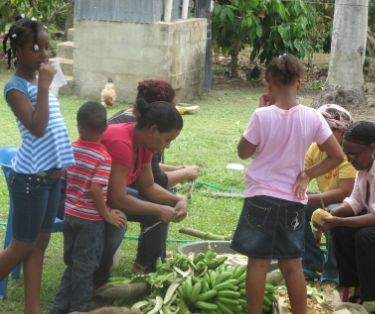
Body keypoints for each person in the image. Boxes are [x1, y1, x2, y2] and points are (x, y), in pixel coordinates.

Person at [231, 54, 344, 314]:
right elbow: (336, 155)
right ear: (299, 84)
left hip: (260, 198)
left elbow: (243, 152)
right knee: (292, 265)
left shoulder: (262, 115)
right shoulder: (313, 117)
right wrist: (307, 174)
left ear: (268, 84)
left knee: (258, 263)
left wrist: (257, 110)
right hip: (293, 199)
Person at [0, 17, 75, 314]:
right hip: (30, 177)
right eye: (35, 48)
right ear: (18, 49)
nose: (44, 54)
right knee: (22, 246)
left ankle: (33, 308)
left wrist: (46, 83)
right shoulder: (14, 88)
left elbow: (54, 122)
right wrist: (43, 87)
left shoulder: (46, 78)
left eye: (46, 46)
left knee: (40, 243)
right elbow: (38, 127)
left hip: (53, 173)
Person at [93, 98, 187, 287]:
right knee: (117, 222)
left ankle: (146, 272)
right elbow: (117, 198)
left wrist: (177, 199)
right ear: (153, 130)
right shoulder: (122, 142)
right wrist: (158, 209)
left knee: (156, 210)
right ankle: (97, 281)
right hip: (85, 197)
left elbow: (148, 186)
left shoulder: (144, 143)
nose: (167, 146)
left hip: (105, 195)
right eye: (167, 139)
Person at [51, 102, 126, 313]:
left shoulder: (70, 150)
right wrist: (107, 215)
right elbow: (95, 189)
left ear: (78, 126)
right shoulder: (103, 157)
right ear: (105, 129)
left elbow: (62, 179)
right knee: (86, 267)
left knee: (74, 265)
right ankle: (80, 308)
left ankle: (58, 308)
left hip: (70, 215)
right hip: (90, 221)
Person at [321, 121, 375, 307]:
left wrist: (340, 221)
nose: (350, 159)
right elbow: (356, 202)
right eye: (347, 154)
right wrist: (334, 213)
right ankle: (352, 285)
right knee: (341, 231)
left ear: (372, 149)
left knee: (365, 236)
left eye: (354, 154)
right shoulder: (363, 168)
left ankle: (370, 296)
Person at [108, 79, 199, 189]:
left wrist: (180, 169)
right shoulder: (143, 135)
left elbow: (149, 170)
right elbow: (157, 181)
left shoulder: (141, 127)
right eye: (172, 109)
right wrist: (186, 173)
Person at [303, 104, 356, 286]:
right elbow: (300, 172)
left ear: (341, 132)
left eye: (323, 130)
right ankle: (311, 261)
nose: (317, 136)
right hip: (326, 199)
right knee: (291, 208)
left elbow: (345, 192)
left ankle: (333, 273)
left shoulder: (350, 154)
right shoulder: (315, 148)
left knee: (333, 216)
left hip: (349, 204)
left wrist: (308, 198)